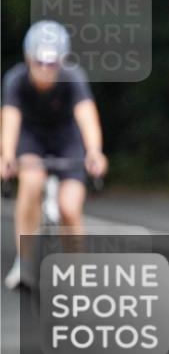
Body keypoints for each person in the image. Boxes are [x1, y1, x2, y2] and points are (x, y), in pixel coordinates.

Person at [1, 20, 108, 289]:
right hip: (32, 139)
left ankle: (78, 270)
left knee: (69, 208)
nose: (46, 70)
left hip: (66, 141)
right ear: (29, 59)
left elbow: (86, 117)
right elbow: (11, 121)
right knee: (32, 181)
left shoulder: (73, 78)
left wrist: (95, 151)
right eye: (40, 63)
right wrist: (6, 156)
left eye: (53, 64)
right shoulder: (16, 80)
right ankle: (24, 261)